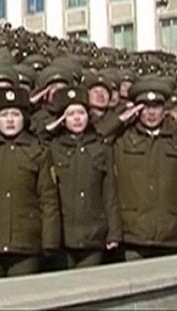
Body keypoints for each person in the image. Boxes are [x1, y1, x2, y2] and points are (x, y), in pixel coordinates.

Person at [0, 86, 61, 278]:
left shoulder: (38, 151)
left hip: (26, 243)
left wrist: (50, 242)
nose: (10, 120)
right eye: (3, 115)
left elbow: (49, 199)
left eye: (15, 114)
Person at [112, 79, 177, 260]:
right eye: (145, 107)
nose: (151, 113)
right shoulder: (123, 138)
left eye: (157, 107)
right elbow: (98, 136)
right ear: (137, 110)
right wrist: (119, 120)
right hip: (133, 232)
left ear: (164, 110)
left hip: (170, 231)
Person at [46, 86, 121, 268]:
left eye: (81, 112)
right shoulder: (53, 148)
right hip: (63, 235)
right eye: (70, 114)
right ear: (62, 120)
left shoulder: (101, 148)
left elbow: (109, 192)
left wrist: (114, 233)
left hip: (93, 233)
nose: (77, 118)